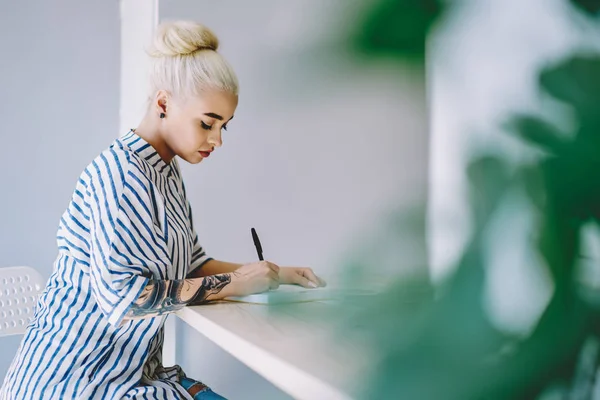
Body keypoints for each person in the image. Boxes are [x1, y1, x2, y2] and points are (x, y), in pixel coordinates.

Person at [0, 20, 326, 400]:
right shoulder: (121, 175)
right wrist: (237, 284)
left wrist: (276, 273)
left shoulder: (164, 170)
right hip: (73, 383)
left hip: (128, 374)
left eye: (225, 126)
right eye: (207, 123)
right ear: (163, 103)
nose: (217, 140)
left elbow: (191, 264)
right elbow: (130, 299)